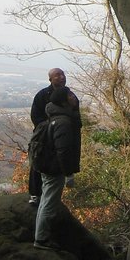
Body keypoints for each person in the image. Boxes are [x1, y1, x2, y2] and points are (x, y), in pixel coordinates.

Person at [33, 86, 82, 250]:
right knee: (49, 204)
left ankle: (40, 236)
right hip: (54, 168)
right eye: (69, 95)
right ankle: (41, 239)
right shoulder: (63, 122)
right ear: (63, 101)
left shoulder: (54, 116)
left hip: (47, 165)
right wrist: (68, 174)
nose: (73, 97)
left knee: (46, 201)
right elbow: (63, 151)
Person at [28, 68, 80, 206]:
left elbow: (76, 116)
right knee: (38, 162)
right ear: (50, 79)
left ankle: (48, 197)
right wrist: (48, 128)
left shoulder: (70, 96)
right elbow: (35, 116)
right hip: (44, 136)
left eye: (63, 74)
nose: (61, 77)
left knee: (56, 164)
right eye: (57, 75)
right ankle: (35, 194)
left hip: (63, 135)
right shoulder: (42, 95)